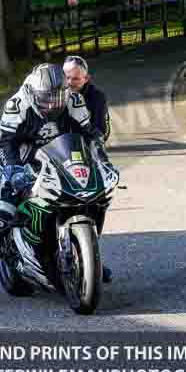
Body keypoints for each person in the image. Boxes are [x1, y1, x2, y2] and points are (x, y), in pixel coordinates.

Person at [0, 63, 106, 306]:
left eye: (58, 96)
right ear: (33, 92)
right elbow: (6, 143)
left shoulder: (74, 100)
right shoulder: (17, 104)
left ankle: (84, 252)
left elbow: (88, 133)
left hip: (57, 156)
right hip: (18, 158)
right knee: (1, 217)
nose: (53, 103)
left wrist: (100, 155)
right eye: (46, 98)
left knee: (90, 196)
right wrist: (13, 170)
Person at [63, 55, 113, 283]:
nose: (70, 82)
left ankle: (90, 256)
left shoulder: (96, 97)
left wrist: (94, 143)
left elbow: (100, 131)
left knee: (99, 198)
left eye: (75, 78)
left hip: (87, 153)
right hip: (58, 153)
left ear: (86, 78)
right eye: (66, 77)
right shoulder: (55, 94)